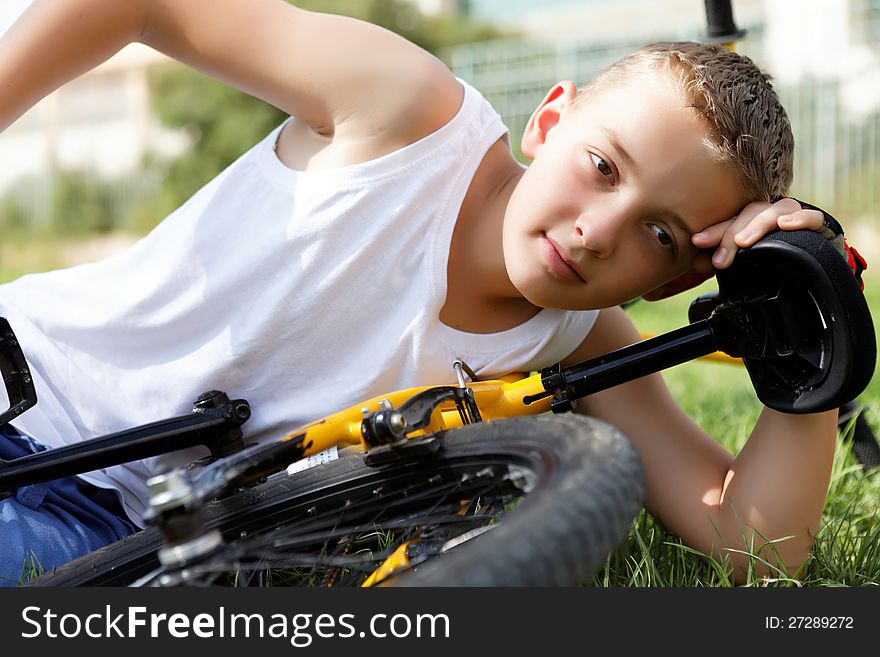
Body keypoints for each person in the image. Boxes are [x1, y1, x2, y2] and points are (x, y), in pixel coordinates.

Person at [0, 0, 864, 585]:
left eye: (661, 234)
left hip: (108, 539)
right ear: (550, 121)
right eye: (602, 167)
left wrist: (810, 310)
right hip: (27, 389)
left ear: (676, 281)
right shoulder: (407, 114)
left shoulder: (579, 343)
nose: (599, 230)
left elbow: (755, 546)